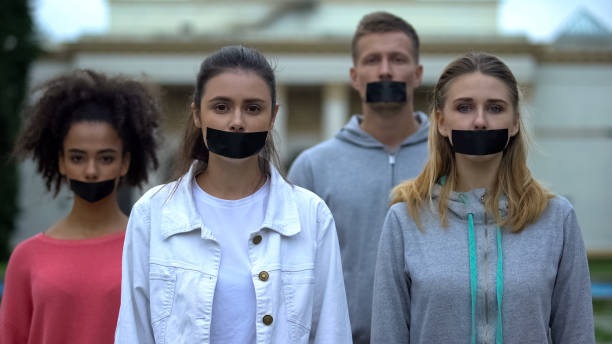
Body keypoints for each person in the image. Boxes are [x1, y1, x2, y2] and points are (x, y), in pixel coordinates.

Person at [114, 45, 351, 344]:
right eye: (221, 107)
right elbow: (134, 332)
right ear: (197, 114)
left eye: (253, 108)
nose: (236, 121)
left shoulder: (311, 215)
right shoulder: (152, 212)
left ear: (273, 116)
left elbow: (332, 331)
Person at [371, 52, 595, 343]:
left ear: (515, 122)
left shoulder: (556, 218)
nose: (479, 121)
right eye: (464, 108)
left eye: (495, 108)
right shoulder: (405, 219)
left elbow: (577, 333)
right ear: (441, 122)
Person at [287, 11, 429, 342]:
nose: (384, 69)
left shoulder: (453, 160)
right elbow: (293, 275)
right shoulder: (313, 166)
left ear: (418, 73)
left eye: (397, 58)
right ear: (354, 75)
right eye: (372, 60)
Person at [0, 69, 161, 344]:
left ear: (125, 162)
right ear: (60, 161)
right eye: (77, 157)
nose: (90, 170)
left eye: (106, 158)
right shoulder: (26, 258)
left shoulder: (150, 249)